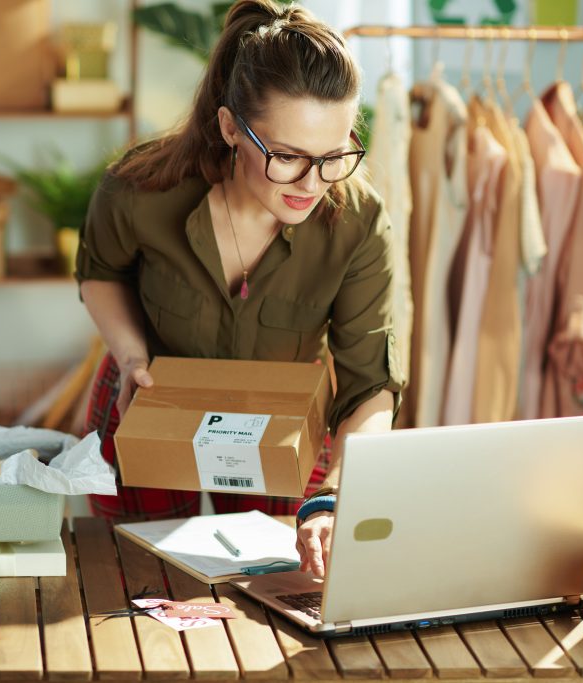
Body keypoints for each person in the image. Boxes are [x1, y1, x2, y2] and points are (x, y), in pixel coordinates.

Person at [76, 0, 404, 576]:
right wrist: (130, 357)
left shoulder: (359, 222)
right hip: (146, 400)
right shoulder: (140, 189)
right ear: (231, 126)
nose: (312, 184)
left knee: (273, 586)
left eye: (334, 156)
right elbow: (101, 273)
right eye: (287, 157)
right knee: (131, 582)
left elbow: (369, 382)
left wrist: (335, 492)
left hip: (281, 424)